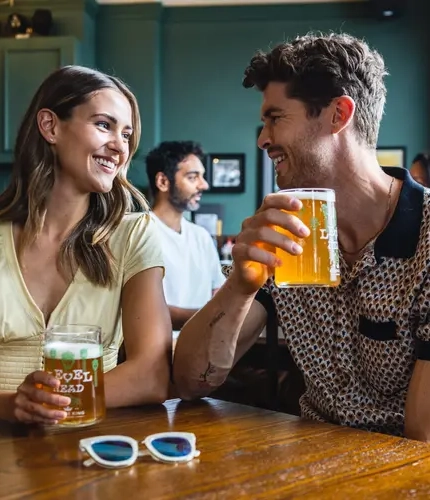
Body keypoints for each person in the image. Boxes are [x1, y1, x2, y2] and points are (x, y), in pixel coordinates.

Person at [173, 32, 430, 441]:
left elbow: (423, 439)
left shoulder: (427, 238)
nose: (263, 139)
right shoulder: (288, 230)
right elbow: (190, 382)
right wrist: (240, 287)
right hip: (304, 458)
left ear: (338, 114)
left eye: (275, 118)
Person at [0, 65, 171, 425]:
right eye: (104, 125)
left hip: (89, 450)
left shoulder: (134, 235)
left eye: (126, 134)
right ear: (50, 126)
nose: (119, 147)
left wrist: (50, 405)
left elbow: (151, 377)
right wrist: (12, 405)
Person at [145, 141, 225, 333]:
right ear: (163, 182)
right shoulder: (140, 232)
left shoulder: (202, 237)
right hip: (158, 349)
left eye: (202, 177)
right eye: (192, 177)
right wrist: (214, 317)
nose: (204, 185)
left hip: (202, 347)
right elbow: (147, 312)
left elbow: (218, 292)